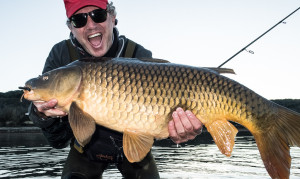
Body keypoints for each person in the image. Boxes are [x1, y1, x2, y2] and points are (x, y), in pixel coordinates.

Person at [28, 0, 203, 178]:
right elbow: (57, 141)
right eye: (79, 20)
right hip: (85, 153)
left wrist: (178, 132)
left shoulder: (138, 56)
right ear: (71, 27)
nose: (90, 25)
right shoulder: (61, 56)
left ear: (112, 17)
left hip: (134, 148)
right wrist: (41, 114)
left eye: (98, 15)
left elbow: (159, 119)